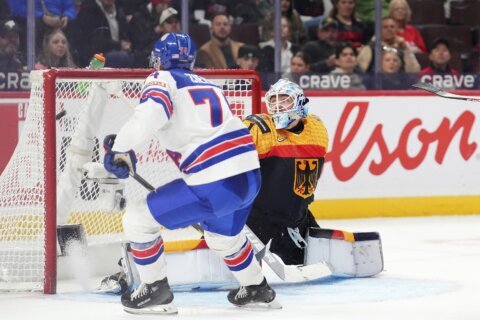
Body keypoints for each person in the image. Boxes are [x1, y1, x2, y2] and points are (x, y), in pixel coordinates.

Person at [102, 32, 280, 314]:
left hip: (214, 181)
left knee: (138, 219)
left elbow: (150, 116)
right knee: (223, 238)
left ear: (160, 59)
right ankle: (257, 288)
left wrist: (119, 148)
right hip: (249, 176)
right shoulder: (209, 85)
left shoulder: (162, 79)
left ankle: (155, 290)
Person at [242, 79, 328, 265]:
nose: (278, 105)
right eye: (273, 100)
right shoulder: (259, 128)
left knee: (318, 264)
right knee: (240, 270)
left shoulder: (317, 128)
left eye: (285, 99)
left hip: (295, 219)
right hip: (256, 220)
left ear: (300, 102)